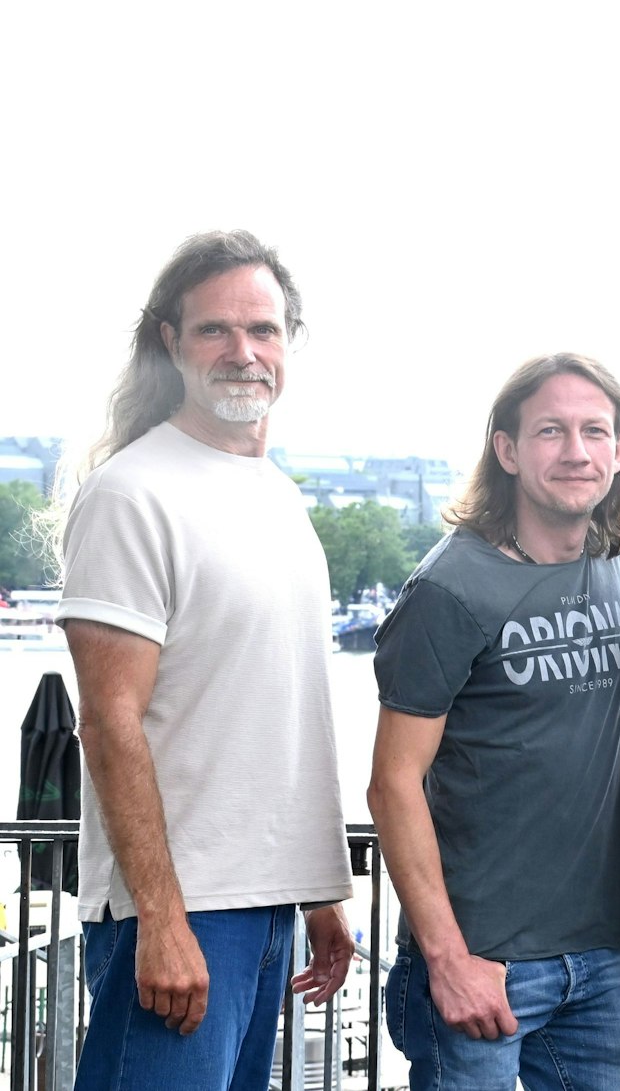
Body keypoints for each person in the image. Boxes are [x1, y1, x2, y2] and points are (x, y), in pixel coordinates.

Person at [56, 230, 354, 1087]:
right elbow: (108, 721)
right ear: (170, 342)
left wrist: (318, 888)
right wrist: (160, 917)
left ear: (289, 342)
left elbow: (273, 712)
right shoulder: (132, 494)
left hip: (264, 909)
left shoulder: (281, 498)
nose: (242, 351)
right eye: (214, 329)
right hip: (181, 916)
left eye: (262, 329)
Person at [368, 353, 620, 1090]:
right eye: (551, 431)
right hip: (482, 960)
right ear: (508, 450)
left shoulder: (614, 561)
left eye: (595, 431)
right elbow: (392, 785)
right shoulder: (448, 587)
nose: (577, 452)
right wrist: (448, 958)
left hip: (602, 958)